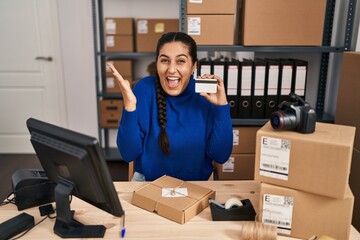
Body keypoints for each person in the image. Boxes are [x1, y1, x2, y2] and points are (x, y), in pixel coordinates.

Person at [107, 32, 233, 181]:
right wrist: (129, 107)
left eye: (180, 61)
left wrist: (221, 109)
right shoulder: (143, 89)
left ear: (193, 66)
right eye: (165, 60)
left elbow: (221, 156)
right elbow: (128, 154)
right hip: (148, 184)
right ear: (157, 63)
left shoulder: (206, 95)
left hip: (195, 187)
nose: (171, 69)